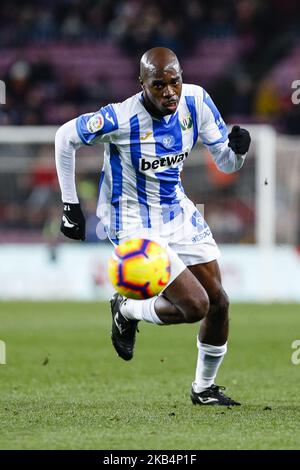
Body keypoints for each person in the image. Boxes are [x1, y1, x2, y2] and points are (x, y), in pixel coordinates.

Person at [55, 47, 251, 406]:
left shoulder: (197, 101)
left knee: (219, 301)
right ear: (142, 84)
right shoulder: (120, 118)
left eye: (174, 82)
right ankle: (127, 309)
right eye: (159, 85)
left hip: (175, 211)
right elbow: (64, 137)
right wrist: (70, 205)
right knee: (195, 306)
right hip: (130, 219)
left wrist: (237, 152)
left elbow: (225, 163)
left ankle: (204, 389)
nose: (169, 92)